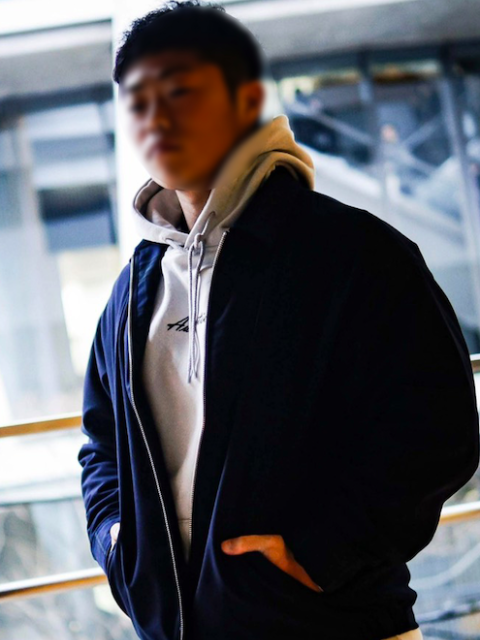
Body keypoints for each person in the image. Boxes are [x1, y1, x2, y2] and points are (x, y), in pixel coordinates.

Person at [77, 2, 480, 640]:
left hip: (333, 621)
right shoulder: (134, 290)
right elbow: (101, 444)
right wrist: (116, 540)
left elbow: (438, 426)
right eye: (137, 101)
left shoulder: (353, 252)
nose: (156, 119)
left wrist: (322, 552)